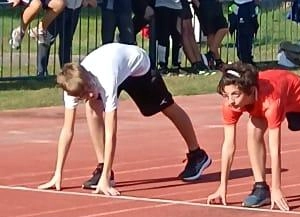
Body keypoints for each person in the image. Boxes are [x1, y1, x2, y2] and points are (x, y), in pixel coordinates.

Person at [38, 42, 211, 194]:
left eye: (89, 88)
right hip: (116, 68)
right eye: (83, 94)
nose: (89, 93)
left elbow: (111, 131)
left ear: (88, 77)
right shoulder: (71, 88)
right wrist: (57, 174)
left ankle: (197, 154)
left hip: (138, 70)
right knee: (92, 106)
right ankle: (103, 166)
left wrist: (105, 181)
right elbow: (67, 130)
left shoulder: (105, 77)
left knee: (166, 106)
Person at [206, 62, 300, 211]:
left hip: (298, 96)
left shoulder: (271, 102)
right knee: (253, 128)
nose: (230, 101)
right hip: (265, 100)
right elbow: (228, 145)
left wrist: (277, 188)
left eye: (235, 95)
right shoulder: (230, 104)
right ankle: (260, 187)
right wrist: (222, 187)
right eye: (226, 95)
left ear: (251, 90)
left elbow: (274, 148)